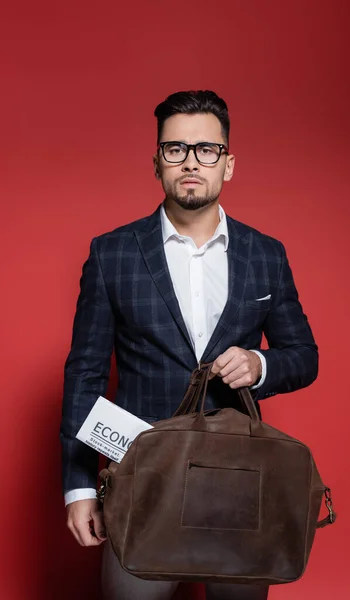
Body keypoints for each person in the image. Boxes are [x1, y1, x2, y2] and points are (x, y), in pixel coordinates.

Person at [61, 90, 318, 600]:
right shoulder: (111, 254)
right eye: (175, 149)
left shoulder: (266, 255)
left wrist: (259, 363)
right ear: (156, 162)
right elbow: (84, 376)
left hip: (239, 480)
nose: (191, 162)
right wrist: (79, 488)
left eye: (207, 149)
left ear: (229, 164)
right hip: (141, 472)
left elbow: (304, 356)